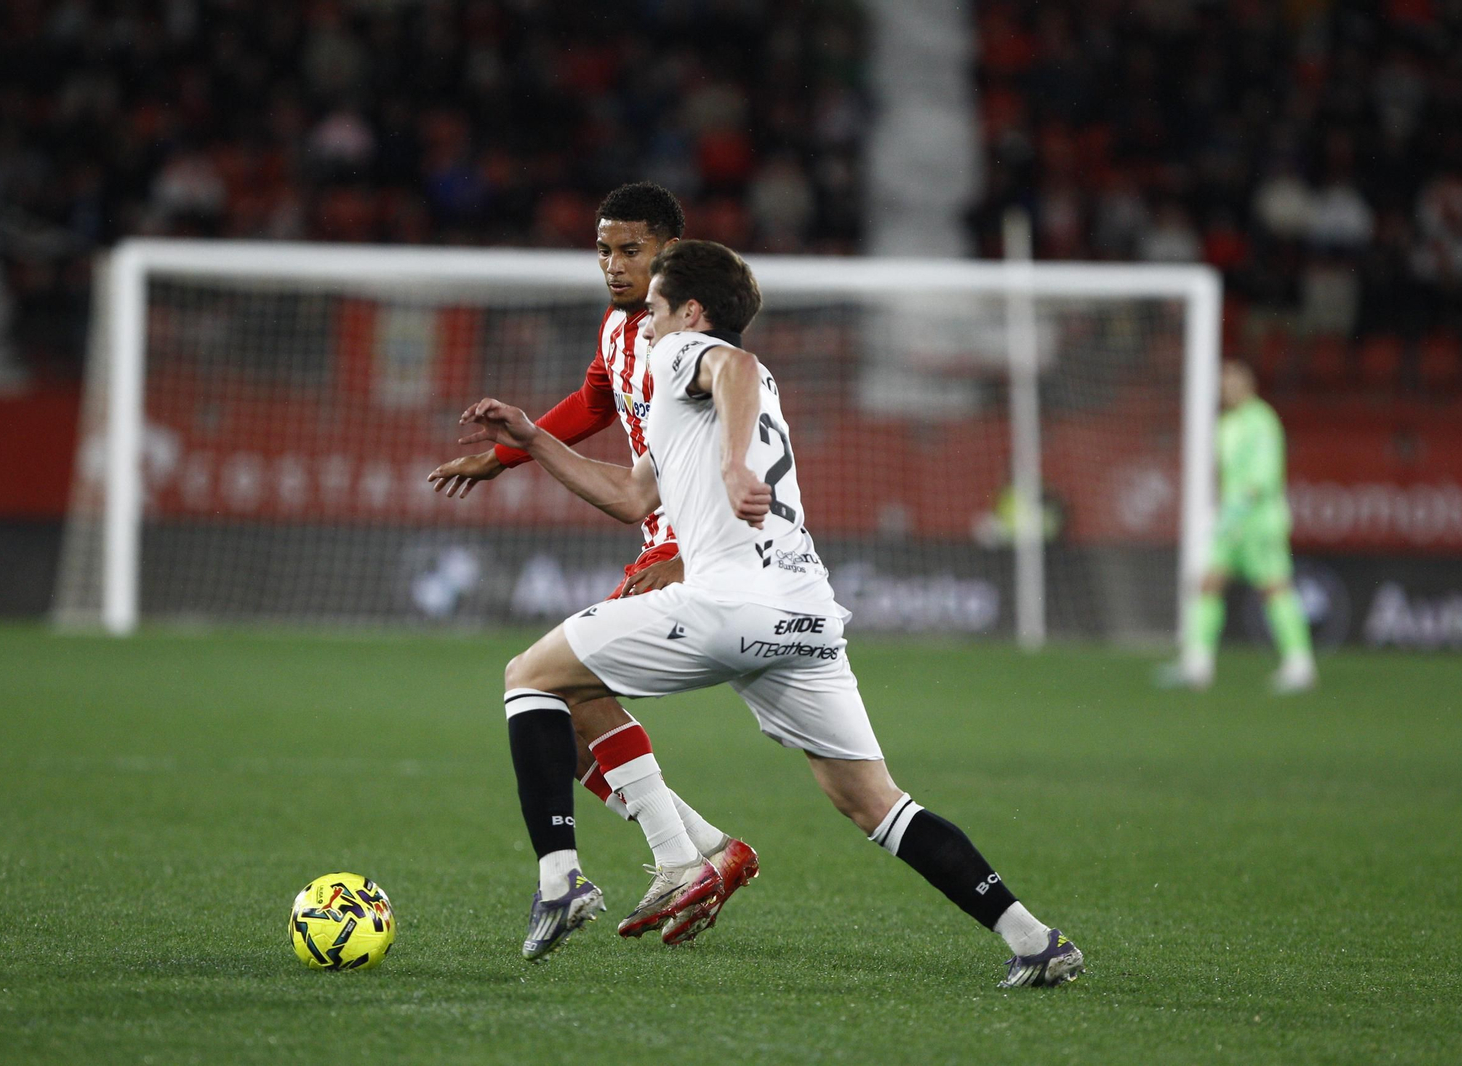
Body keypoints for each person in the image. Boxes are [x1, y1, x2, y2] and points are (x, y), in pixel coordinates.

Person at [456, 240, 1085, 988]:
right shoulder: (709, 397)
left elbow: (734, 365)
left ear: (690, 312)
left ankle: (564, 878)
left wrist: (731, 467)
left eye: (654, 309)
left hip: (730, 603)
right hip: (805, 615)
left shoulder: (690, 353)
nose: (645, 325)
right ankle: (1034, 939)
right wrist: (533, 439)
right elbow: (630, 496)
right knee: (875, 803)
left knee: (531, 677)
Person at [427, 183, 757, 946]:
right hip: (656, 533)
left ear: (670, 253)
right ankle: (709, 849)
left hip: (694, 540)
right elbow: (592, 399)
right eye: (603, 250)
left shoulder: (691, 342)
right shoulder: (618, 328)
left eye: (630, 250)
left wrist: (689, 556)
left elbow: (732, 436)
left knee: (554, 685)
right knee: (561, 716)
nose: (612, 265)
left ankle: (683, 857)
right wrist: (506, 456)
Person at [1160, 360, 1316, 693]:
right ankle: (1198, 665)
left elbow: (1263, 477)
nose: (1226, 388)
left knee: (1274, 587)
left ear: (1249, 384)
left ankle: (1300, 665)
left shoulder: (1262, 421)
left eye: (1231, 382)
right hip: (1231, 524)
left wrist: (1235, 509)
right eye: (1222, 383)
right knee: (1208, 584)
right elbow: (1226, 476)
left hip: (1259, 521)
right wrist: (1220, 512)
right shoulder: (1226, 425)